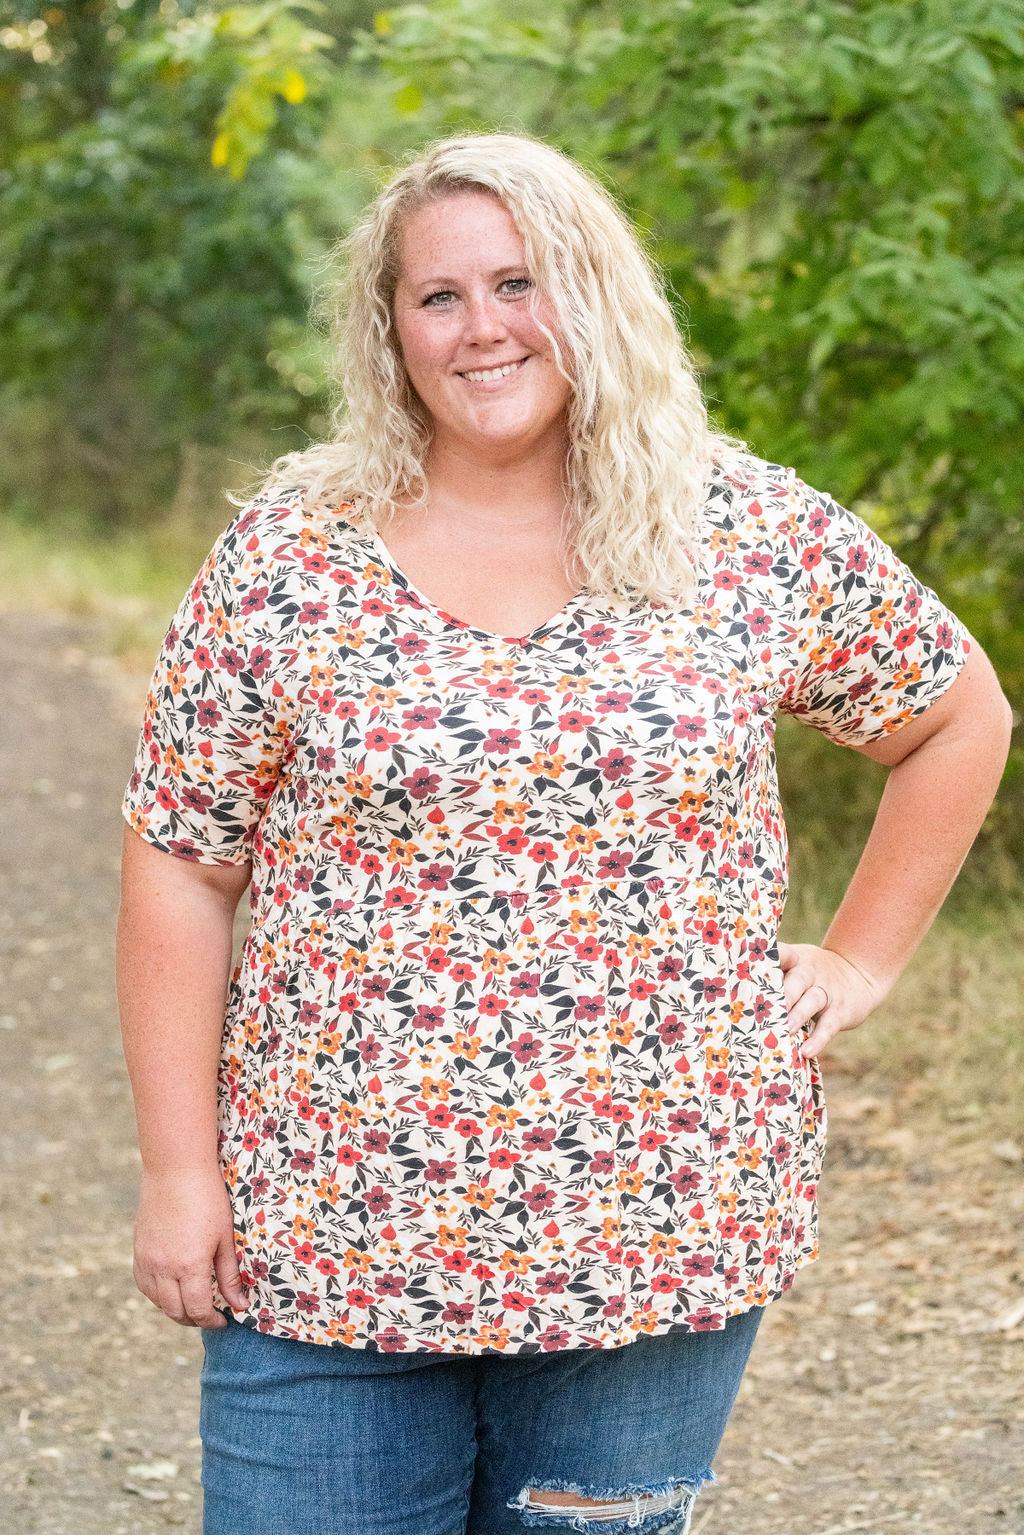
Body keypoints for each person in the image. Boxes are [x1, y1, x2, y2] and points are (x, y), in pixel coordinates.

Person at [116, 133, 1011, 1535]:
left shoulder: (743, 531)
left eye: (521, 282)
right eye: (440, 297)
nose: (484, 329)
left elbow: (957, 717)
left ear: (593, 295)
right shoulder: (293, 556)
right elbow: (182, 853)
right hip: (335, 1228)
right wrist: (180, 1172)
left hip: (653, 1228)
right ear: (389, 328)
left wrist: (862, 959)